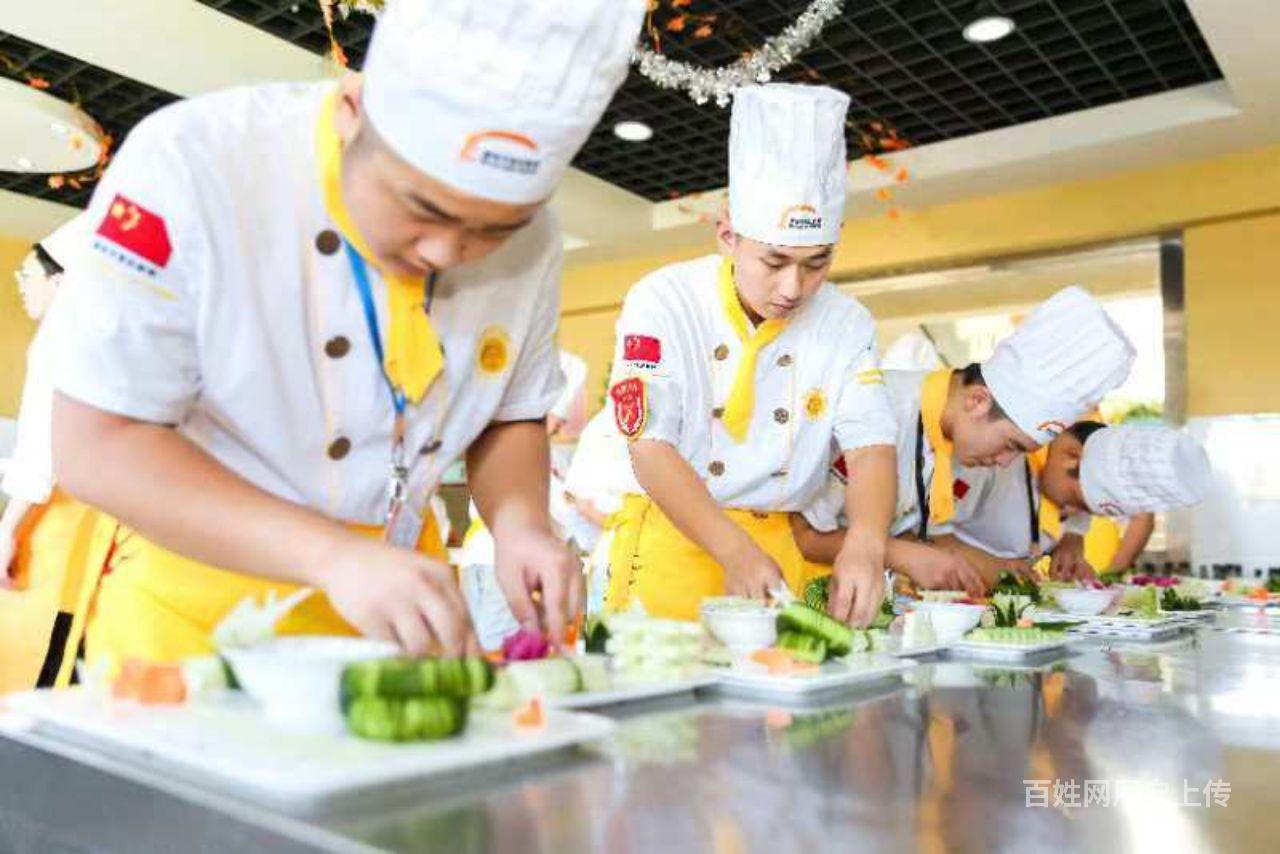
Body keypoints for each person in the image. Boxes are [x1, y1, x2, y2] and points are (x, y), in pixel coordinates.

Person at [47, 0, 646, 665]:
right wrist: (333, 555)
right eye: (422, 208)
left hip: (408, 610)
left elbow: (510, 412)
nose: (447, 252)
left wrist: (521, 522)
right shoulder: (195, 164)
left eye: (495, 231)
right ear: (352, 110)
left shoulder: (536, 241)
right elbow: (98, 443)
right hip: (198, 617)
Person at [604, 84, 899, 626]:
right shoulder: (664, 299)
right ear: (727, 236)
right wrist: (733, 550)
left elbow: (870, 445)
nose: (793, 288)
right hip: (674, 542)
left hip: (783, 547)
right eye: (775, 261)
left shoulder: (846, 321)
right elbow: (648, 444)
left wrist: (866, 540)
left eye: (816, 264)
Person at [793, 287, 1137, 593]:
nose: (1005, 462)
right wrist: (903, 555)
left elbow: (927, 533)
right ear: (977, 401)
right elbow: (806, 536)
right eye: (1011, 446)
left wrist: (998, 569)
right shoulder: (879, 409)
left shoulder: (957, 447)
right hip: (794, 589)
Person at [0, 216, 101, 691]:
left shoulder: (60, 336)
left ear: (60, 280)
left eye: (27, 274)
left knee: (38, 643)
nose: (21, 286)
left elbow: (43, 447)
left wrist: (6, 528)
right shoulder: (103, 338)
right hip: (102, 519)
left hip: (59, 516)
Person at [950, 422, 1210, 579]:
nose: (1072, 512)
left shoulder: (1075, 493)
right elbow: (931, 536)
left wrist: (1071, 541)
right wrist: (996, 569)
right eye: (1076, 500)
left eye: (1087, 511)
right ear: (1071, 455)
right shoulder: (993, 460)